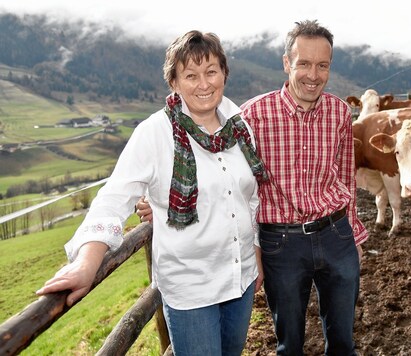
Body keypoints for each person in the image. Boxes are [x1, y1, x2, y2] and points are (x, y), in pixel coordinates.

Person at [137, 20, 368, 355]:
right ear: (287, 63)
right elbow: (213, 168)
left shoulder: (340, 113)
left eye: (322, 66)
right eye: (303, 63)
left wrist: (354, 234)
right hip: (282, 243)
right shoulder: (252, 116)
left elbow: (346, 177)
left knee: (345, 341)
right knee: (289, 343)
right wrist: (159, 199)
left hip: (336, 235)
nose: (313, 75)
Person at [36, 30, 266, 356]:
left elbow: (251, 198)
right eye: (191, 75)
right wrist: (88, 261)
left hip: (240, 279)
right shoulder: (155, 133)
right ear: (174, 82)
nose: (204, 84)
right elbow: (115, 196)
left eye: (211, 71)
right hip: (191, 289)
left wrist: (255, 251)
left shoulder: (241, 126)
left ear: (224, 74)